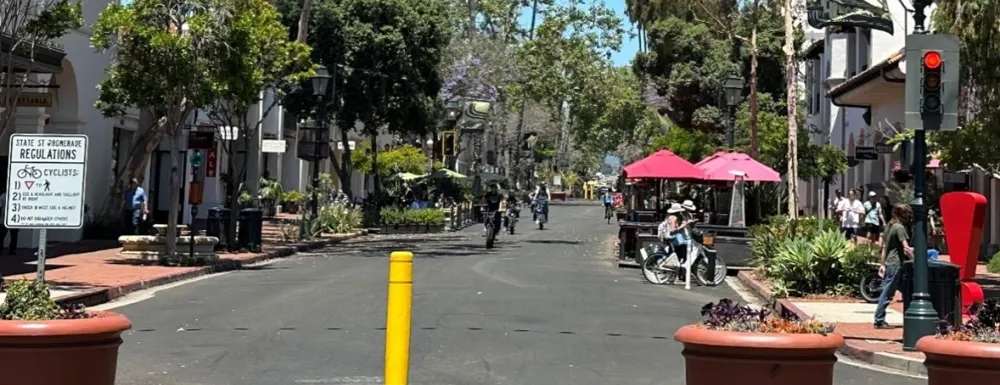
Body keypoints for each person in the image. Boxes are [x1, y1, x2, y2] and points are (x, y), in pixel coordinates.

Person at [874, 203, 915, 329]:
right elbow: (906, 248)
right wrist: (916, 260)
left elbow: (885, 247)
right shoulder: (899, 228)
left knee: (908, 291)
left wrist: (882, 264)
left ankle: (910, 317)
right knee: (888, 293)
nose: (909, 215)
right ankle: (879, 320)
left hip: (891, 263)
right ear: (902, 214)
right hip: (896, 264)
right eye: (907, 213)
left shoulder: (889, 226)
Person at [0, 188, 18, 256]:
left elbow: (0, 207)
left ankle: (0, 249)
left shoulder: (3, 196)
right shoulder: (16, 196)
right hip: (14, 218)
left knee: (1, 235)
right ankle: (12, 250)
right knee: (14, 236)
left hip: (4, 218)